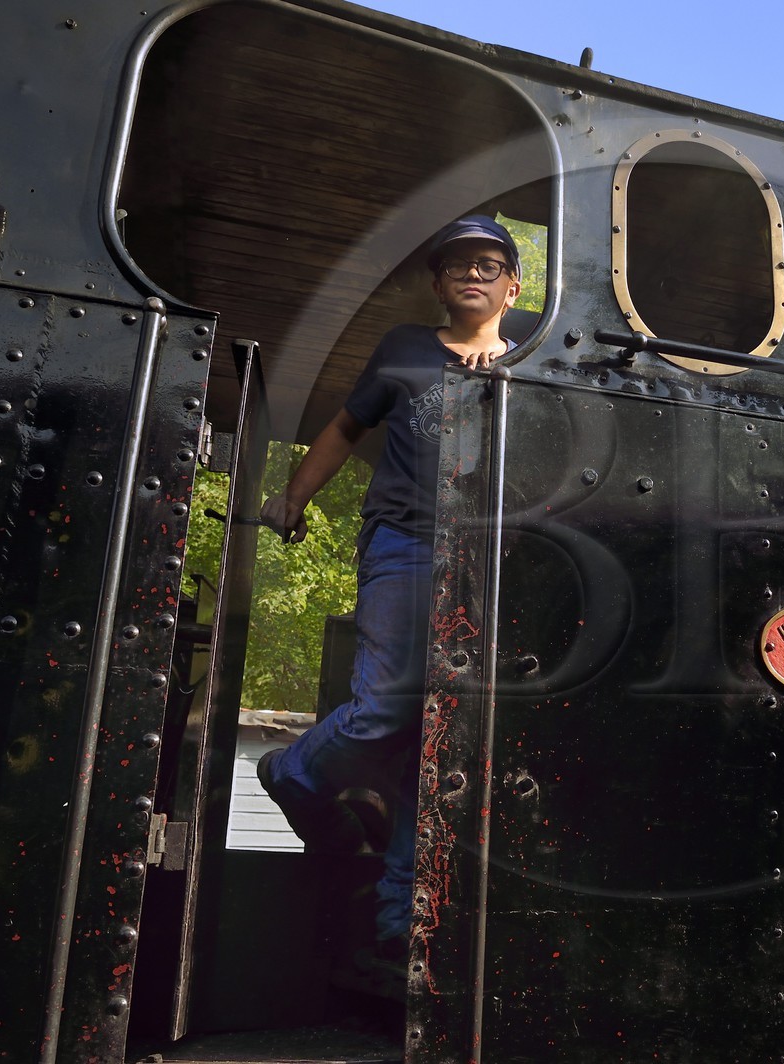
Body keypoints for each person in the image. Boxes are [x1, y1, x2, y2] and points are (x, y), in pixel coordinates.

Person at [256, 215, 522, 989]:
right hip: (406, 541)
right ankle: (296, 773)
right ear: (439, 284)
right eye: (456, 266)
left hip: (497, 557)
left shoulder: (541, 342)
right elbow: (345, 426)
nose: (472, 274)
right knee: (391, 706)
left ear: (513, 283)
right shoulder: (405, 346)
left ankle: (398, 927)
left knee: (439, 740)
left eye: (489, 263)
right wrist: (294, 498)